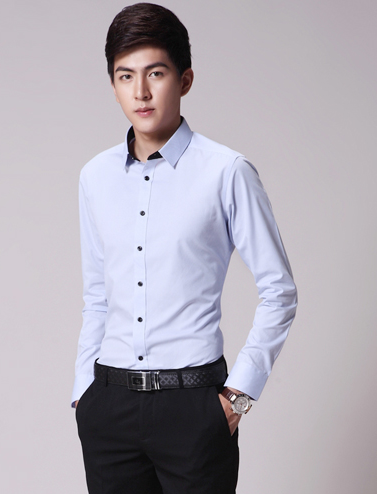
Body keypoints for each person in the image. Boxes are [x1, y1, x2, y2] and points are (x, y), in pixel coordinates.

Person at [71, 3, 297, 493]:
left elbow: (279, 291)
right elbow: (97, 296)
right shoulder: (95, 177)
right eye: (125, 76)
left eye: (156, 73)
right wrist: (83, 394)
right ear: (113, 84)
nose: (141, 91)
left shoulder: (226, 171)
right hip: (108, 406)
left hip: (193, 408)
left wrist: (238, 397)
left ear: (185, 79)